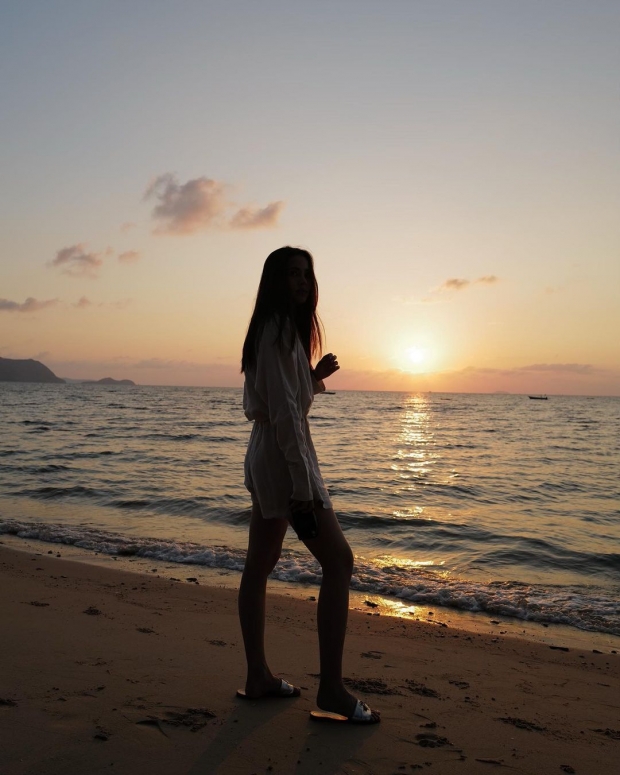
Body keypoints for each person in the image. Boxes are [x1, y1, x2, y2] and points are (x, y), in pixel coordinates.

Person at [237, 246, 380, 724]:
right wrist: (302, 486)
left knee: (259, 565)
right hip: (284, 460)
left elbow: (286, 398)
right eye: (292, 274)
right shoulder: (278, 329)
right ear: (275, 281)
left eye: (306, 274)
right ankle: (333, 691)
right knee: (339, 562)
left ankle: (258, 676)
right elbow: (285, 417)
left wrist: (312, 379)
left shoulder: (277, 331)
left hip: (265, 455)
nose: (302, 281)